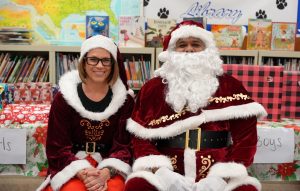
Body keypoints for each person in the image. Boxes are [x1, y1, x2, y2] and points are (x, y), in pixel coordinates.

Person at [124, 20, 267, 191]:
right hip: (168, 170)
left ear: (207, 49)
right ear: (171, 51)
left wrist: (221, 178)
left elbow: (246, 140)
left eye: (196, 44)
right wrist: (162, 171)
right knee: (137, 185)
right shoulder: (152, 89)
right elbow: (140, 138)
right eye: (182, 45)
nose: (189, 49)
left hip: (217, 169)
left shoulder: (231, 86)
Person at [37, 35, 134, 191]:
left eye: (106, 60)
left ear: (113, 64)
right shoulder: (63, 99)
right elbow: (57, 147)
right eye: (93, 59)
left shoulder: (125, 101)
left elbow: (124, 146)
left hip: (109, 165)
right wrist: (81, 172)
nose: (100, 65)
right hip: (72, 163)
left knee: (115, 189)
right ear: (83, 61)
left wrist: (106, 172)